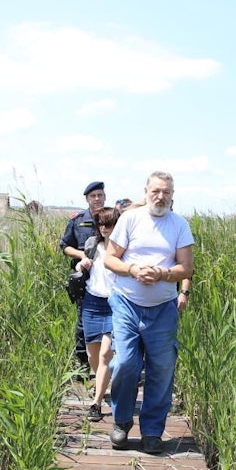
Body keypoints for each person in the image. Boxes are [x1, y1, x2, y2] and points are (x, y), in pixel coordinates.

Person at [103, 171, 195, 454]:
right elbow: (109, 258)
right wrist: (132, 269)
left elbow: (186, 268)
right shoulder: (131, 219)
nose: (160, 196)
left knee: (162, 368)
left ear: (172, 195)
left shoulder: (179, 225)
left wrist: (163, 273)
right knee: (126, 363)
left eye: (166, 192)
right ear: (146, 192)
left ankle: (152, 431)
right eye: (156, 191)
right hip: (127, 302)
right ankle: (121, 422)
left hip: (162, 309)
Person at [74, 206, 120, 422]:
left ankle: (97, 402)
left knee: (105, 354)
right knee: (93, 355)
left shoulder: (124, 248)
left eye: (109, 224)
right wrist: (81, 265)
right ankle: (103, 380)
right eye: (101, 224)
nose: (104, 228)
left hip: (115, 303)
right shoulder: (93, 244)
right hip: (92, 302)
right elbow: (80, 267)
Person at [60, 181, 107, 373]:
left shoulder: (113, 218)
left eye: (100, 195)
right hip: (84, 278)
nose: (97, 199)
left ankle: (108, 363)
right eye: (93, 196)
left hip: (108, 279)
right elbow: (65, 246)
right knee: (83, 321)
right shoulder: (78, 220)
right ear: (87, 199)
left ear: (105, 197)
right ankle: (84, 364)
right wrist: (82, 256)